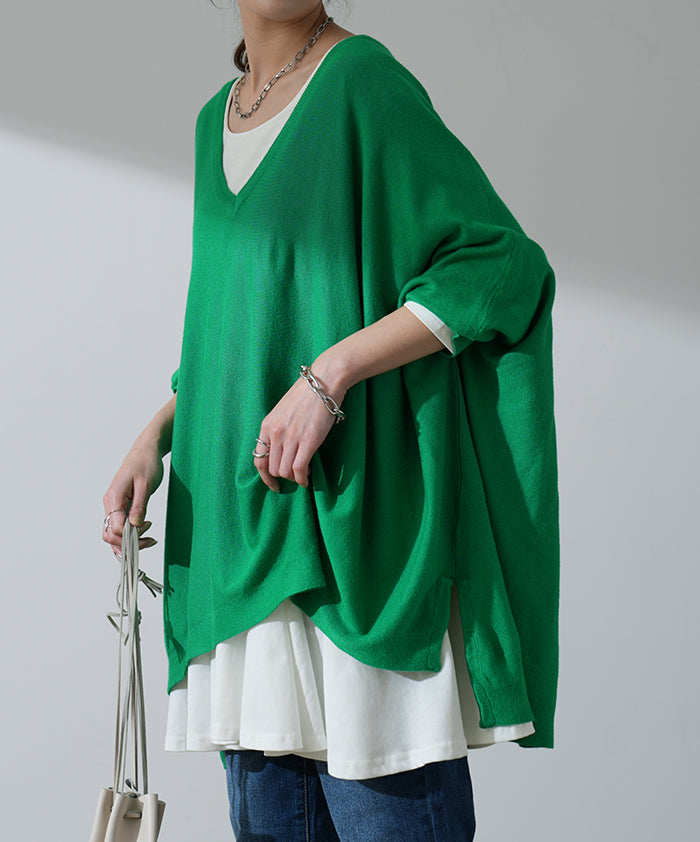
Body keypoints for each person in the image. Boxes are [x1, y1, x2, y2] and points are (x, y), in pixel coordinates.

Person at [102, 2, 560, 839]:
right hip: (242, 560)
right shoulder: (214, 123)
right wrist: (157, 436)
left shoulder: (362, 82)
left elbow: (499, 262)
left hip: (353, 546)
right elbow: (239, 332)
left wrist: (332, 374)